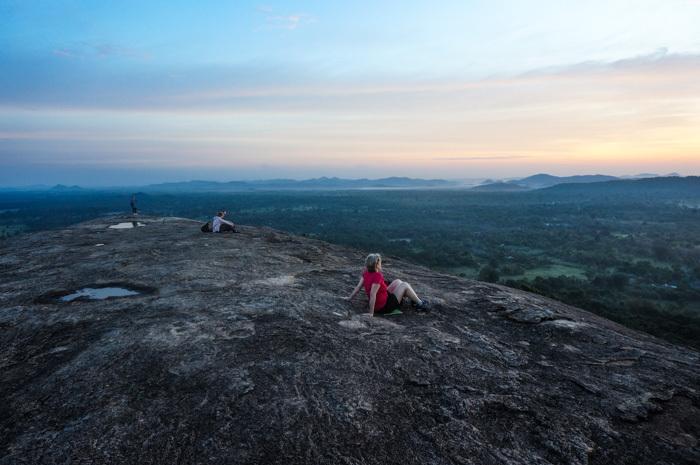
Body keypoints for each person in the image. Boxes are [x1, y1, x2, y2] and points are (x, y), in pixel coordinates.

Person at [346, 253, 429, 316]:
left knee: (397, 281)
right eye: (380, 263)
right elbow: (372, 294)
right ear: (377, 265)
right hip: (385, 306)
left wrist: (349, 298)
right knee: (405, 285)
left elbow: (358, 287)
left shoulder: (366, 273)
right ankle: (420, 304)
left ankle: (414, 300)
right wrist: (371, 313)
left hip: (383, 298)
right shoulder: (377, 276)